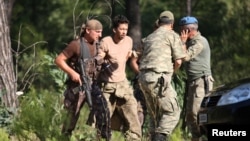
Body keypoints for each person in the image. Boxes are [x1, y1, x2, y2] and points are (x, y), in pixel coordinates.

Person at [137, 10, 186, 141]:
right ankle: (160, 138)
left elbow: (138, 57)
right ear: (172, 23)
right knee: (172, 112)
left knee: (155, 116)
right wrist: (171, 73)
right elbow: (179, 60)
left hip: (143, 79)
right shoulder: (172, 35)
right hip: (159, 78)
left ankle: (153, 137)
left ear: (159, 22)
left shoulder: (149, 37)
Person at [95, 15, 142, 141]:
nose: (124, 32)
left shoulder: (128, 40)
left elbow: (126, 57)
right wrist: (100, 60)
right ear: (114, 29)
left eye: (126, 29)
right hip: (107, 86)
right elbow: (99, 58)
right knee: (102, 119)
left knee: (133, 115)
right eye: (121, 29)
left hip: (123, 85)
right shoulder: (106, 41)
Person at [54, 19, 103, 138]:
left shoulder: (98, 45)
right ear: (87, 30)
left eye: (101, 32)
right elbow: (59, 60)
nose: (100, 35)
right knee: (70, 118)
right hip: (77, 87)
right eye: (97, 32)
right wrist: (72, 73)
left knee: (99, 116)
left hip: (93, 86)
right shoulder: (76, 45)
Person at [179, 16, 214, 141]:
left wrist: (182, 43)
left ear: (189, 31)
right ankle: (196, 138)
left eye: (183, 30)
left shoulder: (200, 41)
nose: (181, 33)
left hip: (201, 81)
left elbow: (185, 57)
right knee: (190, 115)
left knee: (198, 113)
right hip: (193, 82)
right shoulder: (191, 42)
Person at [130, 19, 159, 127]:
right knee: (140, 110)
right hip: (142, 82)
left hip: (159, 83)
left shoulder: (168, 43)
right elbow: (133, 61)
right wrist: (140, 74)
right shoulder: (145, 42)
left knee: (157, 112)